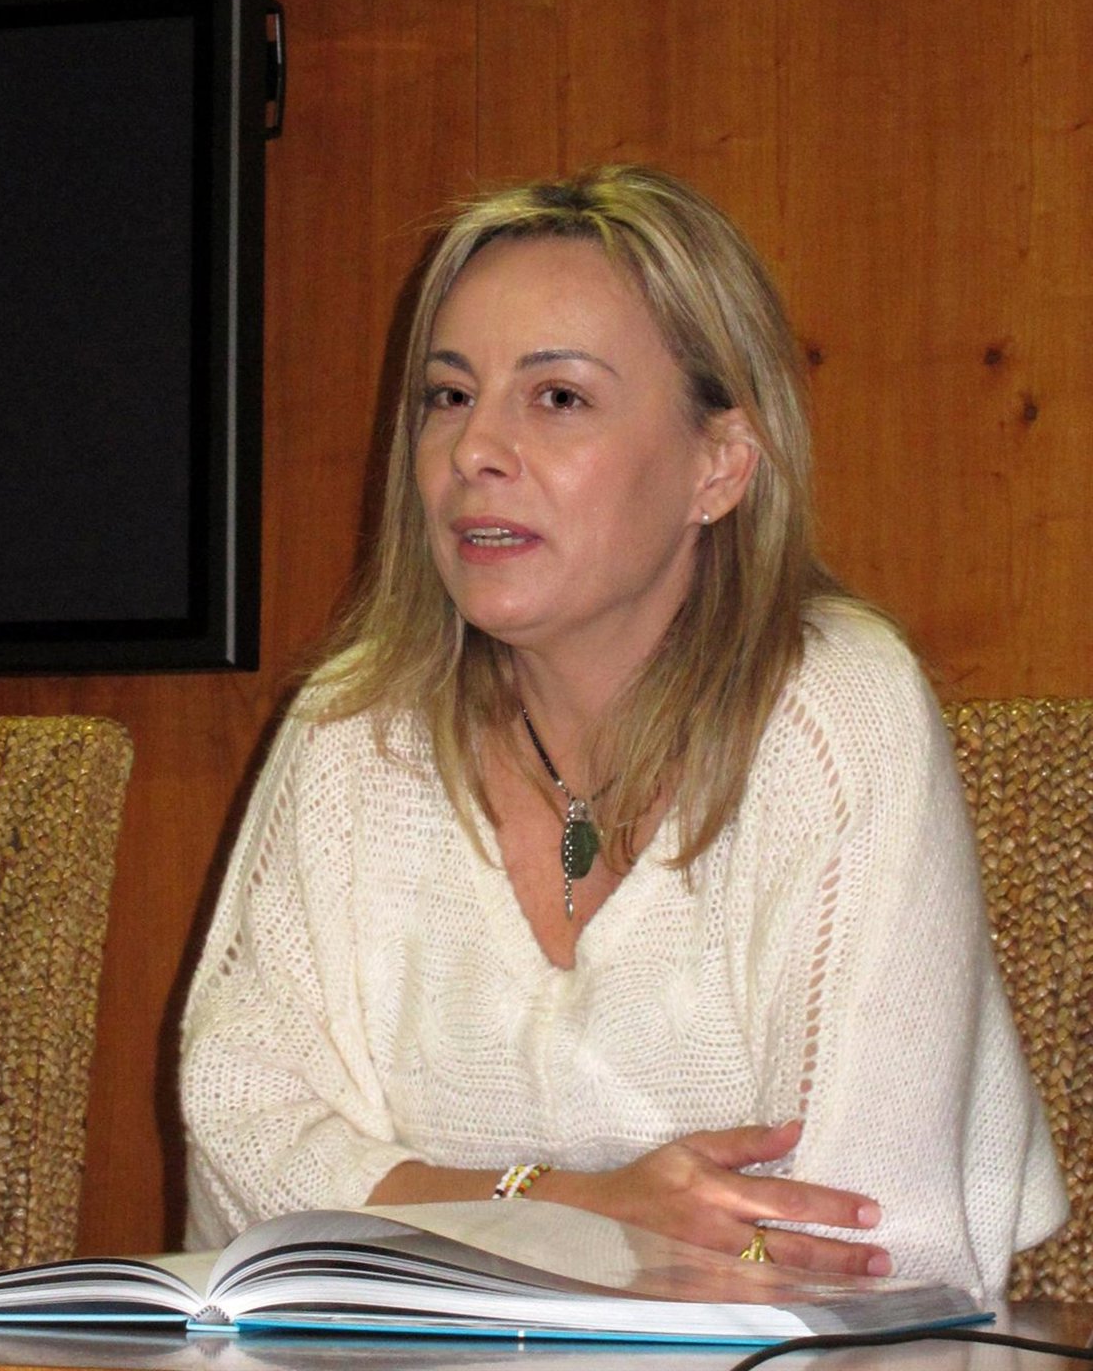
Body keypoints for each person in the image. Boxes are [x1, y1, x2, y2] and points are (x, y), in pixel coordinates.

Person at [180, 164, 1067, 1296]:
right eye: (448, 396)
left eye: (557, 398)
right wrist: (574, 1205)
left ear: (719, 465)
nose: (474, 451)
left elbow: (863, 1242)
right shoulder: (356, 727)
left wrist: (414, 1208)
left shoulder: (832, 716)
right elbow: (242, 1160)